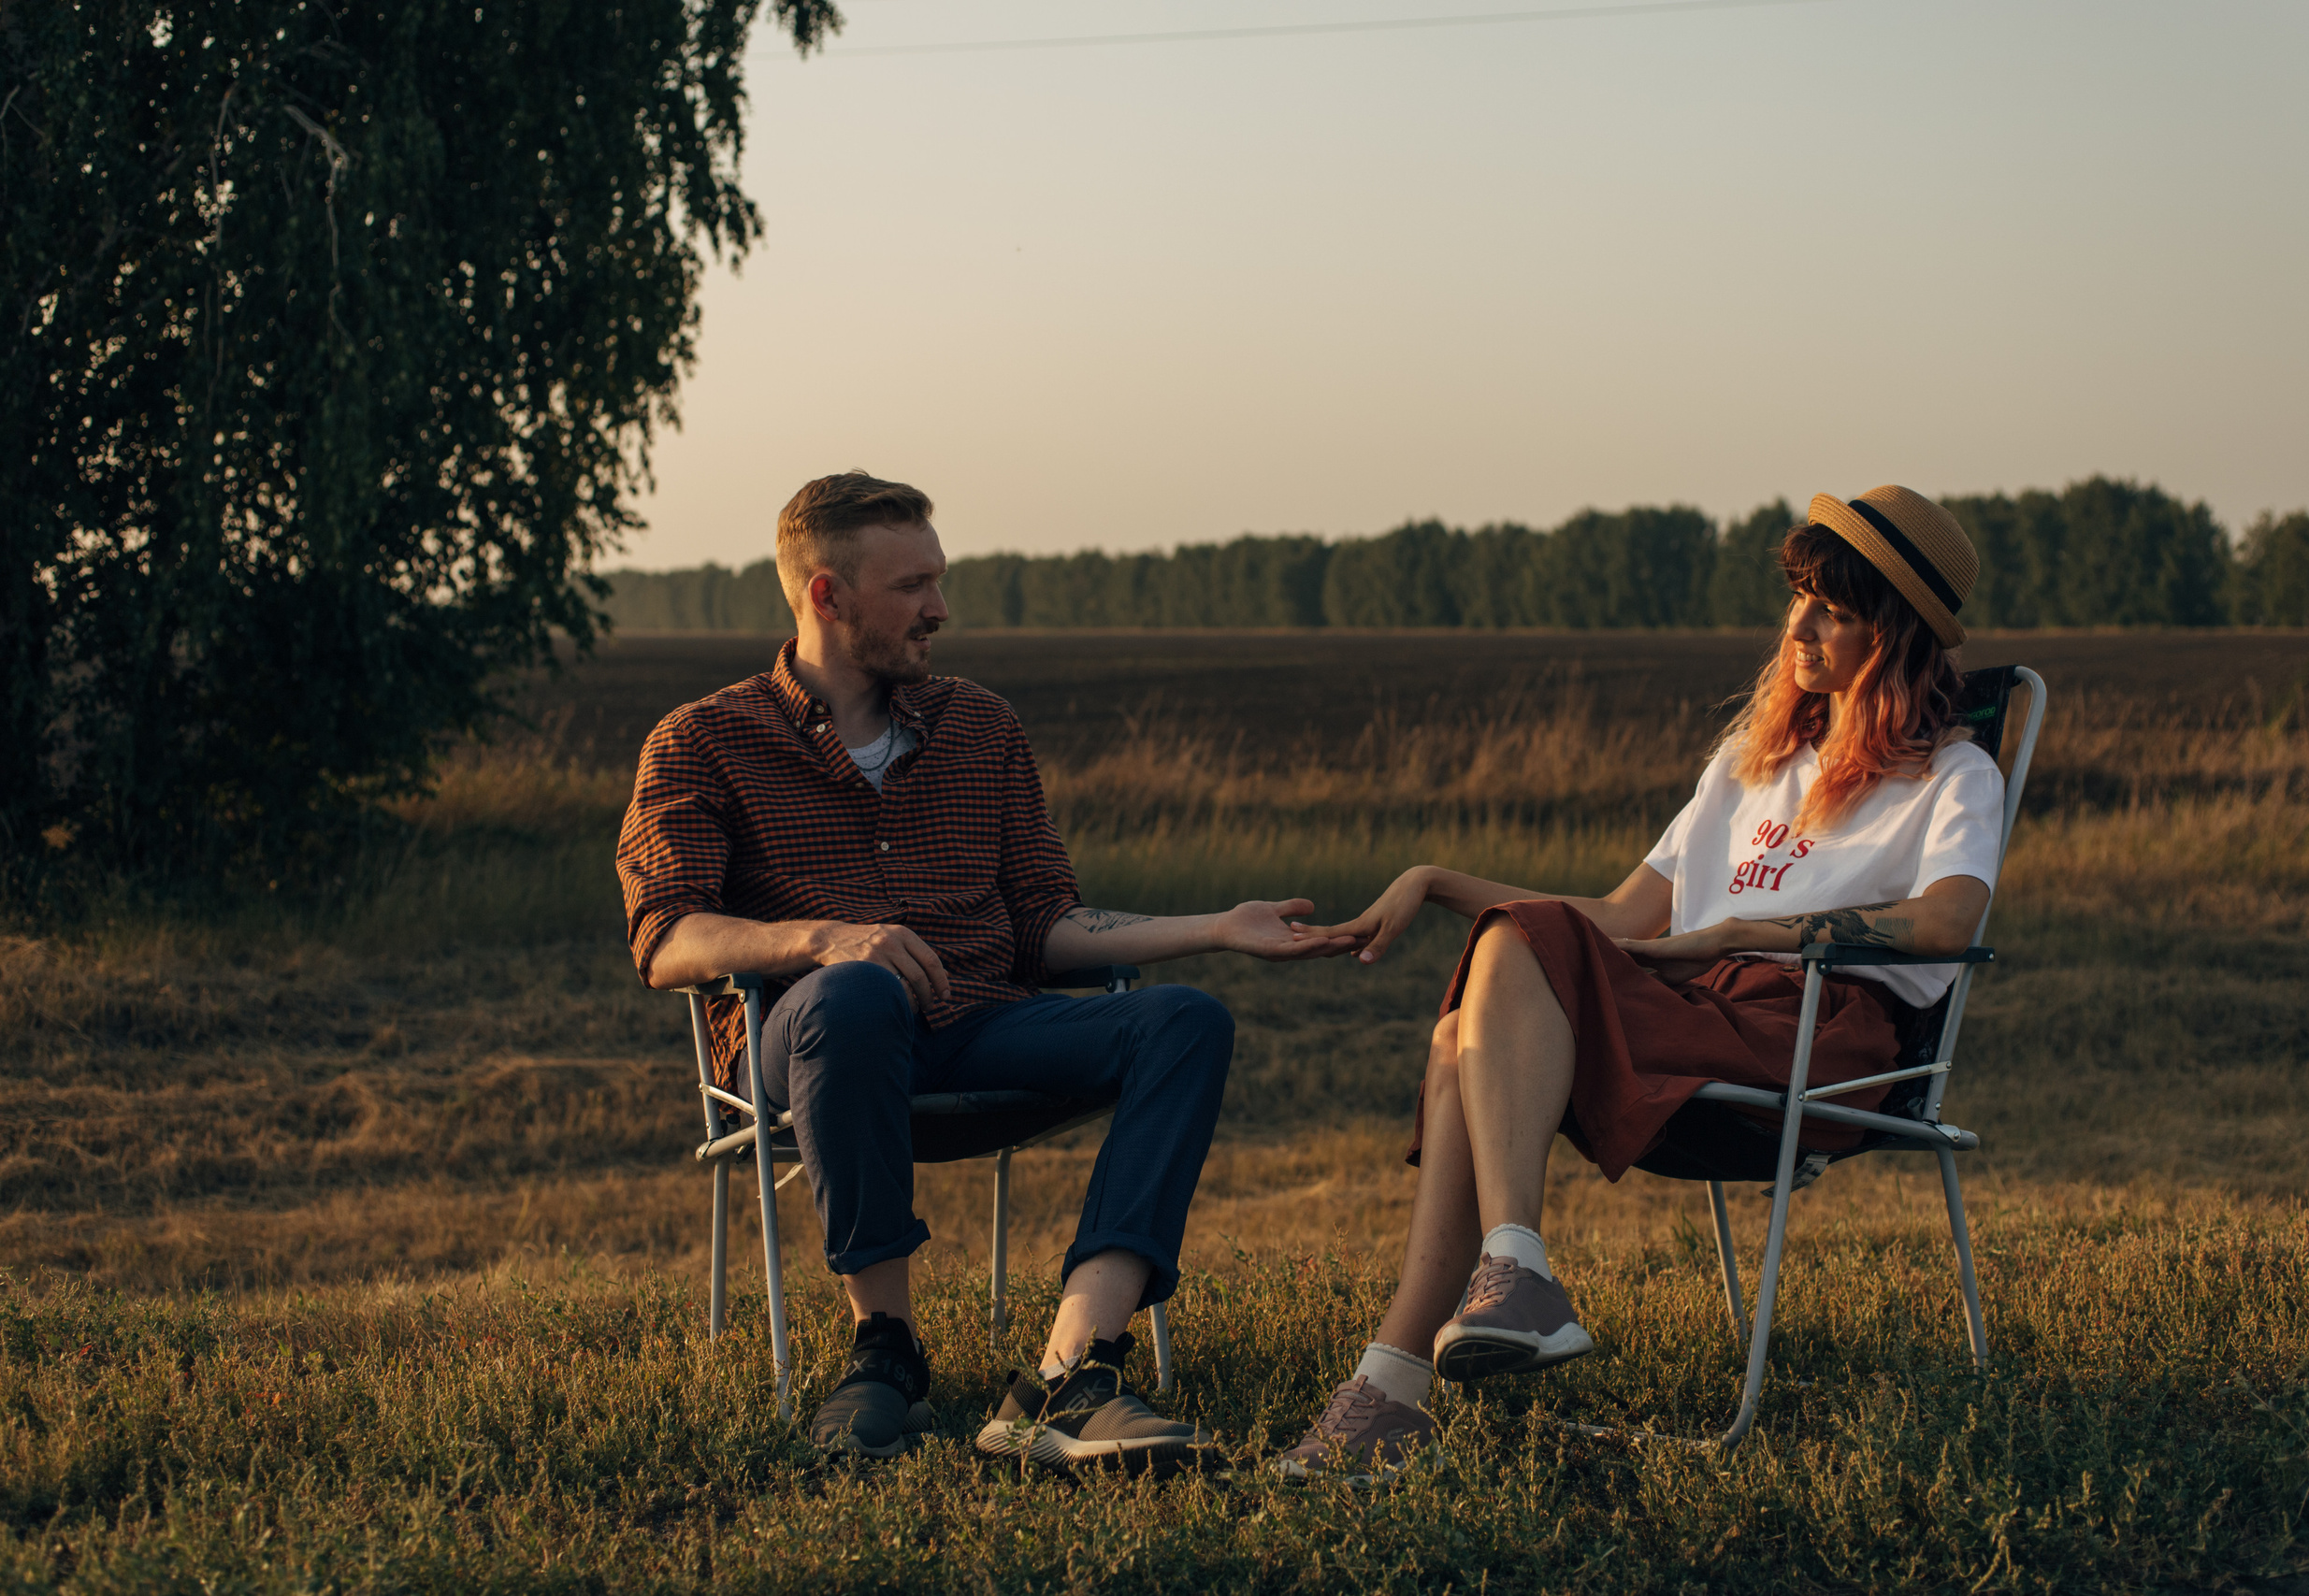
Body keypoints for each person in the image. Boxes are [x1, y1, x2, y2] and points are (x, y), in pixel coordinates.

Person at [616, 470, 1353, 1467]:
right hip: (815, 1042)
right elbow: (666, 939)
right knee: (857, 987)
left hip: (978, 1023)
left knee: (1185, 1020)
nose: (939, 609)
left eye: (939, 579)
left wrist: (1218, 926)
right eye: (912, 585)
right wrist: (827, 938)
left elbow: (1047, 926)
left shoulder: (980, 727)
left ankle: (1069, 1374)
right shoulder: (704, 740)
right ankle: (885, 1355)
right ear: (825, 593)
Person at [1275, 484, 2001, 1483]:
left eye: (1833, 607)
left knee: (1494, 989)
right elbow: (1616, 923)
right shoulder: (1748, 768)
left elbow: (1948, 923)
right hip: (1702, 1010)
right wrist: (1433, 879)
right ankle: (1457, 1325)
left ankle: (1418, 1365)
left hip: (1816, 1034)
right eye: (1797, 597)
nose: (1799, 625)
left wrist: (1747, 930)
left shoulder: (1952, 775)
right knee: (1478, 1003)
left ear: (1899, 634)